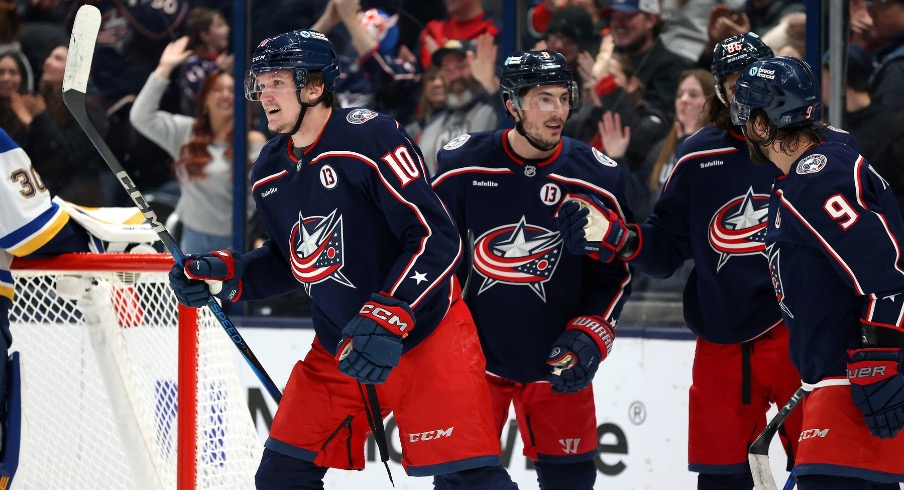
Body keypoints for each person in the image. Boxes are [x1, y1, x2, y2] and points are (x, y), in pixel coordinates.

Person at [166, 29, 517, 489]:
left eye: (276, 82)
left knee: (468, 481)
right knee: (281, 477)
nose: (263, 95)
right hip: (341, 346)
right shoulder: (269, 169)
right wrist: (227, 275)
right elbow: (293, 261)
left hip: (425, 335)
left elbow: (435, 237)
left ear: (313, 87)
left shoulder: (369, 136)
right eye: (261, 82)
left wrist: (389, 315)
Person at [554, 32, 863, 489]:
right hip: (723, 339)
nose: (743, 92)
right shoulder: (698, 156)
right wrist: (617, 237)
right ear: (720, 90)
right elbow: (666, 250)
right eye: (733, 82)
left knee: (830, 474)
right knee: (722, 480)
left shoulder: (822, 150)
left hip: (805, 335)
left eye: (752, 79)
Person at [431, 49, 632, 490]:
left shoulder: (597, 177)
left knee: (572, 483)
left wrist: (593, 329)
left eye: (564, 97)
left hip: (558, 359)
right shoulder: (462, 165)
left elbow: (617, 275)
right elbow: (432, 256)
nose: (558, 111)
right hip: (476, 362)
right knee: (458, 481)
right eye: (544, 99)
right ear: (512, 104)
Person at [731, 55, 904, 490]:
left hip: (856, 387)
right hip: (837, 385)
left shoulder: (818, 176)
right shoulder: (809, 175)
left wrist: (879, 358)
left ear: (760, 124)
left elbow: (886, 268)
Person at [130, 36, 267, 253]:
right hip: (191, 238)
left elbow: (263, 199)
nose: (225, 95)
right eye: (218, 89)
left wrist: (259, 236)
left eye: (232, 91)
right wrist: (164, 69)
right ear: (204, 99)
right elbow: (140, 116)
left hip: (237, 242)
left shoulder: (252, 143)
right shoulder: (186, 132)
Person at [418, 35, 503, 175]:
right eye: (448, 69)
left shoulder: (491, 111)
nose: (455, 76)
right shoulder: (432, 126)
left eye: (461, 66)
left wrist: (491, 86)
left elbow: (517, 127)